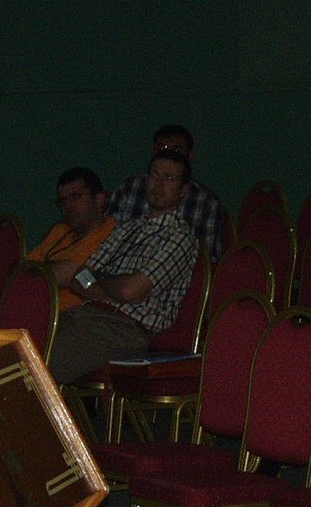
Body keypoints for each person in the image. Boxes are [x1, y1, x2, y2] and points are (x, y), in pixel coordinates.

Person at [46, 148, 199, 384]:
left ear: (183, 190)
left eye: (169, 178)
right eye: (155, 175)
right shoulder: (126, 229)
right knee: (12, 352)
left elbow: (128, 290)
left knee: (37, 367)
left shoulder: (180, 238)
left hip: (123, 329)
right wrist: (109, 286)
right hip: (83, 314)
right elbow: (79, 280)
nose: (159, 184)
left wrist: (98, 280)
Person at [107, 124, 227, 261]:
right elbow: (106, 240)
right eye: (162, 148)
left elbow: (207, 260)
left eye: (177, 149)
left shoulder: (206, 202)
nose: (169, 153)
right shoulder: (129, 188)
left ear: (190, 156)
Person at [27, 167, 118, 307]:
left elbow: (72, 275)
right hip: (33, 305)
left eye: (76, 197)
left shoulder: (115, 234)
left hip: (76, 314)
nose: (68, 206)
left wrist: (41, 270)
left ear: (99, 199)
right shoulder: (59, 231)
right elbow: (22, 271)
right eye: (63, 201)